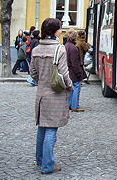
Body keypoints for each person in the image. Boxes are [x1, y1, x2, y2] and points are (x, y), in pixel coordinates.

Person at [30, 18, 73, 175]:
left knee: (42, 127)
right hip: (55, 94)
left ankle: (40, 159)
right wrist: (69, 86)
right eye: (60, 29)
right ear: (55, 31)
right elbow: (64, 72)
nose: (61, 31)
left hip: (41, 94)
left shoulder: (36, 50)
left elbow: (33, 73)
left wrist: (42, 82)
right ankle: (47, 165)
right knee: (51, 130)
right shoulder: (59, 49)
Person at [65, 28, 86, 112]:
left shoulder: (66, 46)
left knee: (71, 88)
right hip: (73, 71)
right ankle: (75, 106)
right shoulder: (73, 48)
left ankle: (69, 104)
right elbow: (75, 63)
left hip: (68, 70)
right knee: (76, 87)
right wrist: (79, 74)